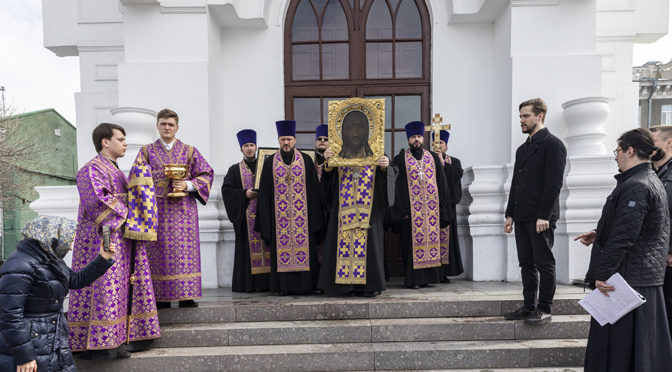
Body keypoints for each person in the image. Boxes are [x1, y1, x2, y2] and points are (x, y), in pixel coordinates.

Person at [576, 128, 672, 372]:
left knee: (619, 353)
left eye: (617, 150)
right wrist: (600, 235)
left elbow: (624, 237)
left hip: (629, 280)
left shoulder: (637, 185)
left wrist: (602, 274)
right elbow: (638, 226)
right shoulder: (648, 179)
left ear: (630, 151)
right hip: (640, 278)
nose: (615, 156)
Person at [67, 123, 160, 359]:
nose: (125, 143)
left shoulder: (116, 170)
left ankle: (118, 340)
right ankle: (99, 346)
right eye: (121, 139)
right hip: (100, 240)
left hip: (122, 238)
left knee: (119, 289)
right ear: (105, 142)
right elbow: (97, 202)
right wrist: (131, 215)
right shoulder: (91, 170)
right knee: (104, 288)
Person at [0, 216, 115, 372]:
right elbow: (9, 315)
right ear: (52, 236)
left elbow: (76, 280)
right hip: (32, 347)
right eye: (68, 241)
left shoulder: (50, 259)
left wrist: (103, 258)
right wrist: (25, 356)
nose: (70, 247)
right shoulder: (19, 265)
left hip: (52, 341)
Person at [132, 109, 214, 308]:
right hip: (156, 210)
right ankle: (161, 297)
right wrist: (153, 185)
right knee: (159, 253)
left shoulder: (189, 150)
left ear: (177, 127)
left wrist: (187, 185)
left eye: (170, 124)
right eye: (163, 124)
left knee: (184, 252)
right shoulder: (146, 151)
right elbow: (136, 177)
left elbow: (206, 174)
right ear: (157, 126)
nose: (167, 127)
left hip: (183, 211)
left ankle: (187, 295)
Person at [504, 98, 566, 326]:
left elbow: (553, 183)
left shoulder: (553, 144)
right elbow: (516, 183)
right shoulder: (523, 148)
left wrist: (543, 215)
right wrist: (509, 214)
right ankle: (529, 306)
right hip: (522, 214)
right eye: (520, 116)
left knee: (544, 262)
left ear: (539, 116)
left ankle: (544, 309)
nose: (521, 120)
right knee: (526, 263)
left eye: (525, 116)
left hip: (541, 216)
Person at [255, 120, 325, 295]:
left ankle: (306, 286)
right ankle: (282, 287)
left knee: (306, 250)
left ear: (295, 140)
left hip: (304, 221)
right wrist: (266, 222)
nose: (286, 143)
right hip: (279, 222)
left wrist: (315, 221)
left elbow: (315, 194)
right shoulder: (270, 162)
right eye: (283, 139)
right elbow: (264, 194)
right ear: (278, 140)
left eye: (289, 139)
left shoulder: (306, 160)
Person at [317, 144, 389, 297]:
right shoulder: (339, 151)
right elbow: (328, 184)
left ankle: (369, 286)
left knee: (369, 246)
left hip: (368, 209)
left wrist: (385, 168)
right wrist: (328, 164)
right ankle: (343, 286)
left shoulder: (376, 151)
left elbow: (388, 182)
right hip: (344, 208)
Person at [390, 121, 451, 289]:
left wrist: (442, 209)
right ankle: (413, 280)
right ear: (408, 139)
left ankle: (429, 278)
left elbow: (442, 183)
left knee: (431, 243)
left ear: (422, 137)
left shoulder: (432, 157)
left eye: (418, 136)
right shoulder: (400, 158)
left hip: (431, 211)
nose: (416, 140)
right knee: (409, 246)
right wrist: (401, 210)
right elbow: (396, 186)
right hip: (410, 211)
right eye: (413, 137)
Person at [222, 129, 270, 293]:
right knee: (247, 252)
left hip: (265, 216)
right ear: (241, 149)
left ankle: (267, 284)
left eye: (252, 145)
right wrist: (244, 194)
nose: (249, 148)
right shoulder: (234, 170)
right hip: (245, 218)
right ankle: (249, 285)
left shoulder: (266, 166)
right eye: (246, 146)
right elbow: (227, 192)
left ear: (256, 147)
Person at [647, 125, 672, 339]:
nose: (649, 146)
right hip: (653, 255)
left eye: (652, 140)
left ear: (668, 142)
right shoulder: (650, 173)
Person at [435, 129, 464, 282]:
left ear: (446, 145)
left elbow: (456, 177)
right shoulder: (427, 160)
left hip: (447, 207)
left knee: (447, 240)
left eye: (441, 142)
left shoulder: (455, 161)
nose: (438, 145)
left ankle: (444, 272)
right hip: (431, 206)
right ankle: (433, 271)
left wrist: (443, 164)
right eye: (436, 142)